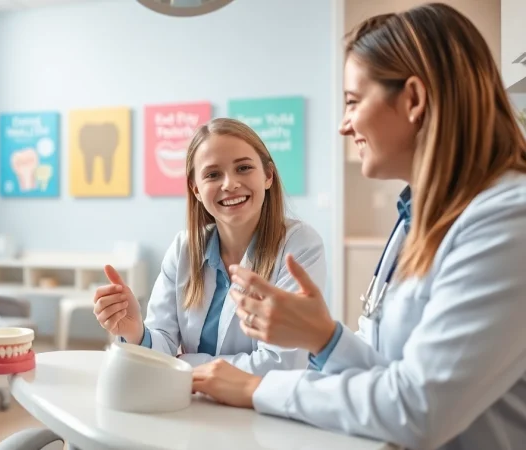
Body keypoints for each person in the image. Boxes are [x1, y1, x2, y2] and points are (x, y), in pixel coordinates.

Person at [191, 4, 526, 450]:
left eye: (352, 102)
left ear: (413, 100)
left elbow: (418, 408)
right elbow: (391, 374)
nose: (344, 125)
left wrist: (258, 389)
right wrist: (324, 338)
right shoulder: (419, 219)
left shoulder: (509, 220)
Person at [93, 117, 327, 374]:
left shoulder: (300, 245)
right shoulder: (184, 249)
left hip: (262, 399)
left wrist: (183, 364)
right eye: (213, 175)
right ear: (196, 189)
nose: (230, 184)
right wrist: (135, 332)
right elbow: (161, 346)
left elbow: (281, 363)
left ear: (268, 176)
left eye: (243, 168)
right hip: (189, 397)